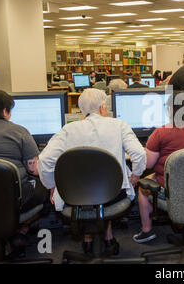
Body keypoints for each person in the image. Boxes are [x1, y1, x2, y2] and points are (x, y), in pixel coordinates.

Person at [38, 88, 146, 256]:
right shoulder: (118, 125)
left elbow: (44, 160)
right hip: (112, 196)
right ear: (103, 107)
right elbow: (139, 154)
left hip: (74, 197)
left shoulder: (68, 130)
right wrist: (136, 175)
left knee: (89, 190)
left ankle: (88, 242)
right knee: (106, 188)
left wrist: (52, 185)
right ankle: (108, 239)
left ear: (81, 111)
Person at [0, 90, 48, 257]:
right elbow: (33, 169)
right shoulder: (18, 131)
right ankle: (21, 230)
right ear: (5, 111)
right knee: (45, 184)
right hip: (10, 198)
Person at [133, 91, 184, 243]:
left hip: (172, 189)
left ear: (170, 110)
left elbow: (149, 164)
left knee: (143, 185)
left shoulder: (161, 133)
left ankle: (147, 231)